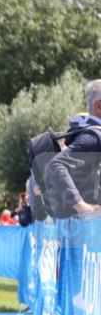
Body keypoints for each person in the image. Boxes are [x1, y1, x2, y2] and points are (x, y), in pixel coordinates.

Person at [43, 79, 101, 216]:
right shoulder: (95, 136)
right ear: (99, 106)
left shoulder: (86, 132)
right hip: (87, 225)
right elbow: (55, 165)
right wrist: (80, 205)